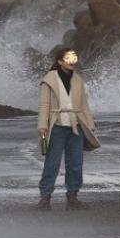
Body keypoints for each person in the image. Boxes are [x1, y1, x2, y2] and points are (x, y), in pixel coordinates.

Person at [35, 46, 98, 211]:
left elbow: (84, 105)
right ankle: (45, 197)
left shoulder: (78, 80)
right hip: (56, 126)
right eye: (68, 58)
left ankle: (73, 197)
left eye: (74, 58)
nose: (72, 62)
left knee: (76, 163)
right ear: (60, 61)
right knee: (52, 164)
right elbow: (44, 105)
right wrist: (42, 125)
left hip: (76, 126)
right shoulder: (49, 80)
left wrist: (90, 124)